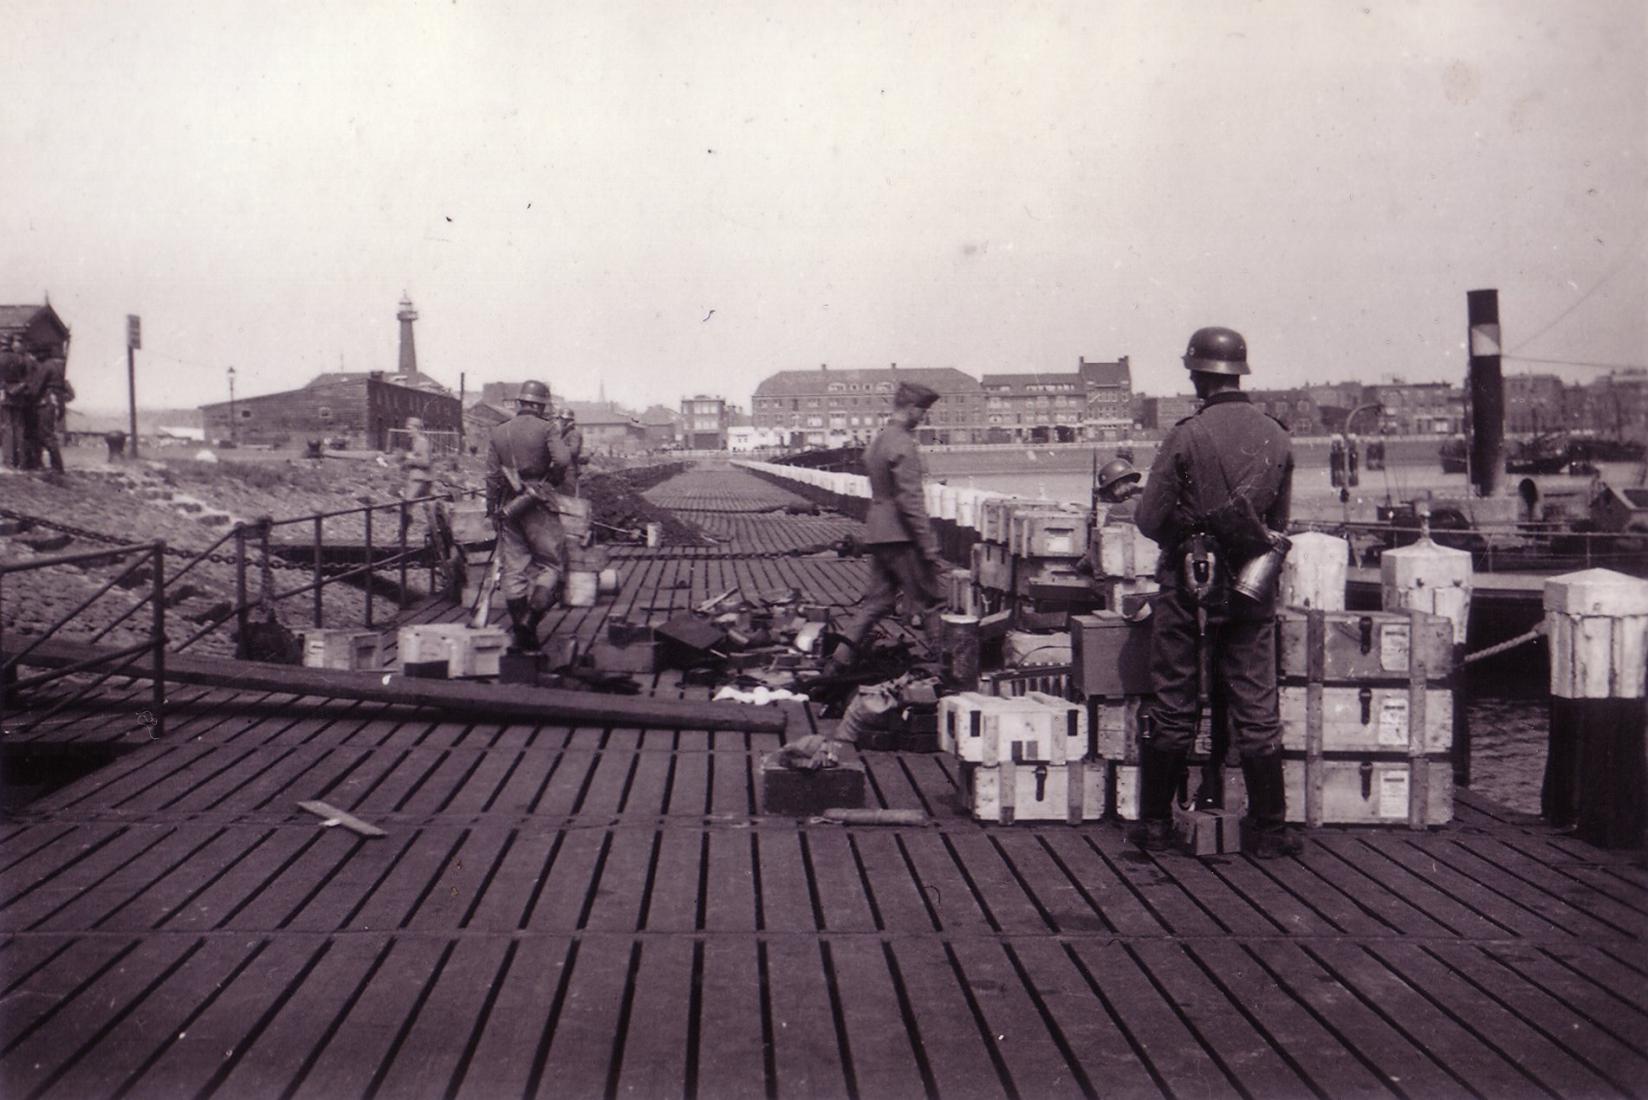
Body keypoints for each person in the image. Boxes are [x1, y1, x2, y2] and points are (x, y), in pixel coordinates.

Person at [1134, 326, 1299, 858]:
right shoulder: (1277, 436)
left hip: (1188, 582)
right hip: (1253, 584)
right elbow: (1279, 523)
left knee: (1174, 700)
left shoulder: (1186, 436)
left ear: (1198, 375)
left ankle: (1155, 825)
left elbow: (1148, 519)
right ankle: (1270, 829)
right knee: (1256, 703)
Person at [826, 381, 946, 673]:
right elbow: (910, 499)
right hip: (902, 536)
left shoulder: (879, 441)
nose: (923, 418)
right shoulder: (903, 443)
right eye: (923, 411)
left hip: (878, 533)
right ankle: (947, 666)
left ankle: (839, 660)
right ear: (912, 408)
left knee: (877, 602)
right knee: (932, 600)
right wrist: (928, 544)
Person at [485, 380, 573, 652]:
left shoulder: (499, 432)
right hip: (539, 502)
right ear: (540, 405)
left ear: (521, 403)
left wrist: (492, 509)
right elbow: (563, 460)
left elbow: (492, 476)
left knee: (514, 569)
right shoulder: (547, 428)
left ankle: (523, 635)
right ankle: (529, 622)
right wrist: (552, 480)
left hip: (509, 505)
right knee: (553, 565)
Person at [32, 356, 73, 473]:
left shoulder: (47, 366)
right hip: (56, 405)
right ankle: (54, 465)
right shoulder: (62, 368)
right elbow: (70, 394)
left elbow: (36, 388)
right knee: (48, 434)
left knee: (46, 435)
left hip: (46, 404)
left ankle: (57, 466)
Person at [399, 416, 433, 537]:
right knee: (427, 508)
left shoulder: (422, 442)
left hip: (421, 479)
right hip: (416, 478)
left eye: (409, 428)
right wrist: (405, 462)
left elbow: (426, 462)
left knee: (406, 504)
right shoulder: (413, 442)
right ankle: (403, 534)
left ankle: (402, 535)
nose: (407, 431)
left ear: (416, 429)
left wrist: (411, 459)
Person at [555, 407, 585, 496]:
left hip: (569, 471)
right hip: (563, 470)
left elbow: (574, 450)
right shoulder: (564, 434)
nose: (559, 422)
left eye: (560, 420)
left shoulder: (574, 433)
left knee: (569, 497)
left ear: (566, 420)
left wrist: (557, 449)